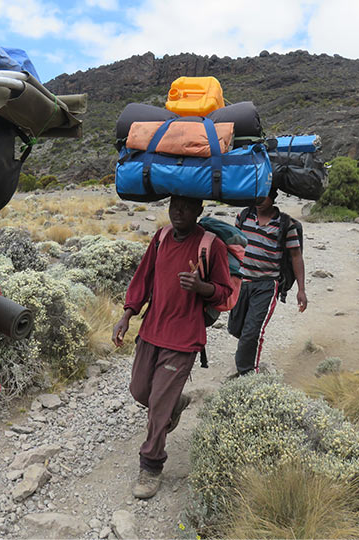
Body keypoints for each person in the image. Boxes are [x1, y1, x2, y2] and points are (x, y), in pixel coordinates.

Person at [111, 196, 234, 499]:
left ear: (199, 210)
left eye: (186, 207)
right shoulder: (162, 237)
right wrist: (127, 314)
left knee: (158, 406)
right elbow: (143, 278)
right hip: (152, 330)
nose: (178, 212)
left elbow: (225, 292)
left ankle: (151, 464)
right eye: (174, 206)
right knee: (141, 391)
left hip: (183, 337)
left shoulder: (211, 245)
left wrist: (201, 287)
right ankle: (174, 405)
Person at [229, 189, 307, 376]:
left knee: (252, 332)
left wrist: (301, 289)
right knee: (235, 328)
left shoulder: (286, 224)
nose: (259, 201)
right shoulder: (244, 216)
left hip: (266, 285)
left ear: (273, 198)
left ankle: (247, 375)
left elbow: (296, 256)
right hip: (241, 280)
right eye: (256, 196)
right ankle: (247, 351)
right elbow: (233, 245)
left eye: (263, 197)